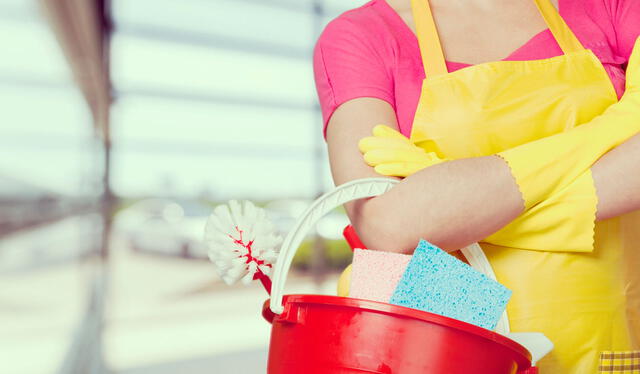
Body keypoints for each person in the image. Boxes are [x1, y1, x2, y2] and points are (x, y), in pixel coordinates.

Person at [313, 0, 640, 372]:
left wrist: (450, 195)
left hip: (612, 344)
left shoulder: (610, 7)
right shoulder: (362, 34)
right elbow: (388, 227)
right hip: (464, 348)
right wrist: (617, 127)